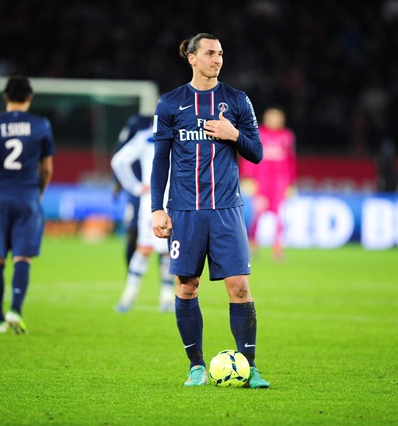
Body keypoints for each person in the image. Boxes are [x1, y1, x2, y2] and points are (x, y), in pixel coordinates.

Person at [150, 33, 270, 388]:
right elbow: (160, 160)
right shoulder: (170, 104)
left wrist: (234, 134)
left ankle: (249, 367)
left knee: (240, 287)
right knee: (187, 287)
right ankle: (196, 366)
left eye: (220, 53)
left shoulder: (237, 100)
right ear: (192, 58)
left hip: (226, 209)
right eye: (209, 53)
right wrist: (157, 208)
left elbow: (257, 153)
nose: (217, 59)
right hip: (185, 211)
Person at [0, 75, 55, 334]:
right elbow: (47, 169)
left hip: (1, 197)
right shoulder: (41, 125)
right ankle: (15, 310)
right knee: (22, 257)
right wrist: (38, 193)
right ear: (30, 97)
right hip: (28, 198)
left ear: (5, 96)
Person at [111, 116, 175, 313]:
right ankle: (128, 297)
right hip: (155, 203)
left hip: (169, 201)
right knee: (146, 248)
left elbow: (118, 161)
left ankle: (166, 299)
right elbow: (119, 161)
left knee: (168, 251)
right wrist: (135, 187)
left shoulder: (161, 136)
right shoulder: (147, 137)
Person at [239, 107, 296, 260]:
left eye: (277, 118)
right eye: (271, 118)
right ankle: (252, 244)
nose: (274, 121)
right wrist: (248, 178)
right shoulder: (258, 134)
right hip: (261, 181)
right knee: (258, 213)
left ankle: (278, 247)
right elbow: (249, 155)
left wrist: (291, 183)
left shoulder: (287, 136)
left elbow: (290, 160)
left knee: (280, 215)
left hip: (280, 182)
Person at [112, 114, 155, 268]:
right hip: (142, 191)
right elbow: (120, 152)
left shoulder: (179, 125)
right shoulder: (139, 125)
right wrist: (122, 183)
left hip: (166, 192)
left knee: (165, 242)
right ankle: (130, 272)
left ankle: (165, 282)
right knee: (133, 230)